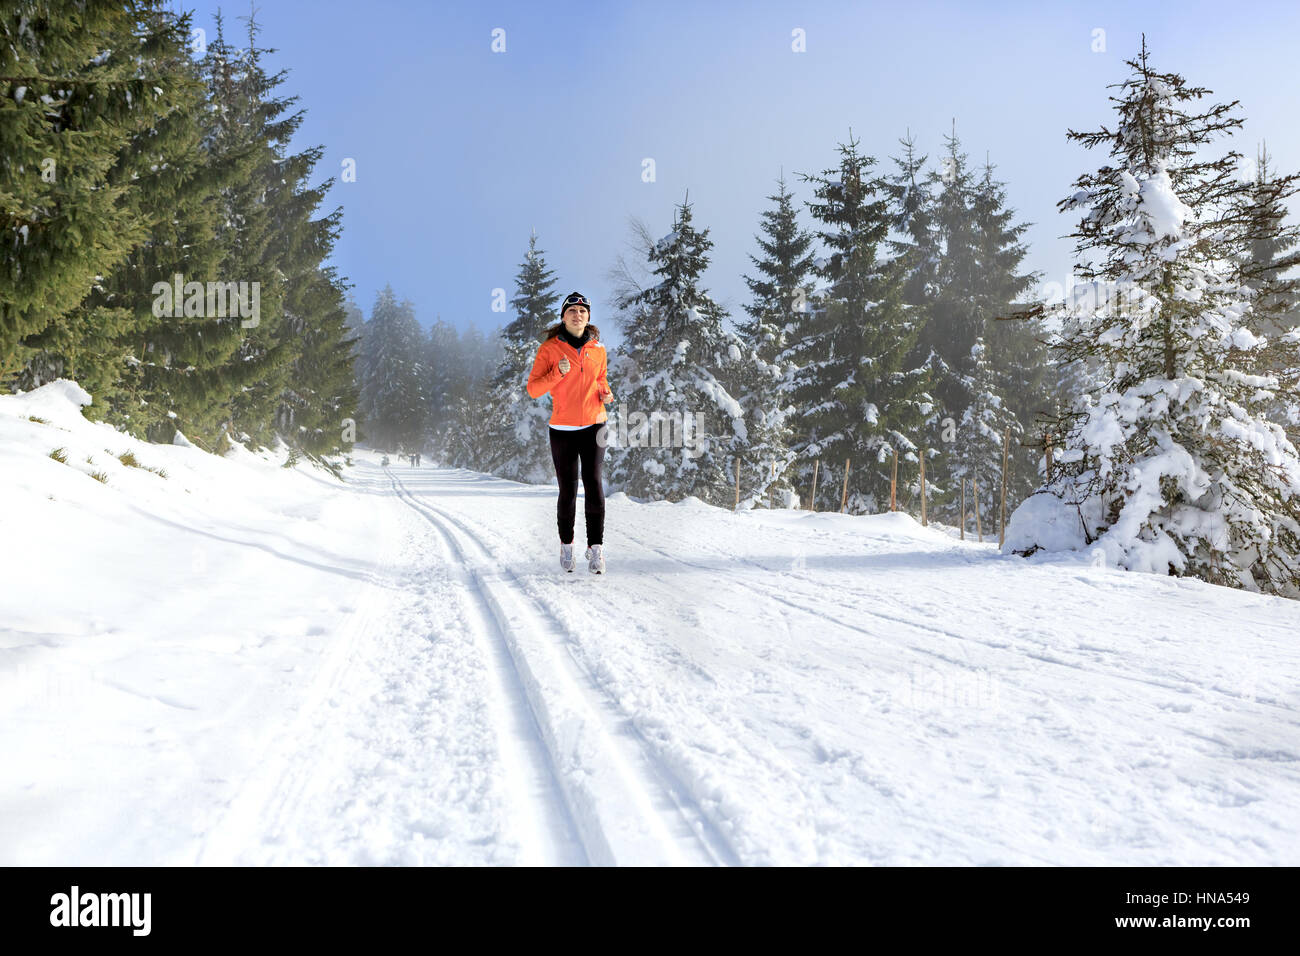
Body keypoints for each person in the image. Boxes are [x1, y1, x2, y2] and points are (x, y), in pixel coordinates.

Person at [526, 291, 614, 573]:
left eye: (583, 311)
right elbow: (533, 389)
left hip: (595, 424)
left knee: (594, 483)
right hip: (562, 428)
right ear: (563, 316)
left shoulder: (598, 350)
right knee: (568, 489)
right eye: (572, 311)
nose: (578, 315)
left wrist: (605, 391)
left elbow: (601, 379)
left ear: (588, 317)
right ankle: (567, 547)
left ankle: (596, 549)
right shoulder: (549, 349)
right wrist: (557, 374)